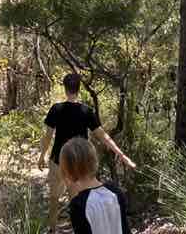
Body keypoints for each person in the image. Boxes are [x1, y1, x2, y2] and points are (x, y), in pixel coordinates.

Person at [37, 73, 135, 233]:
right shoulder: (86, 111)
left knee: (54, 198)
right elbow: (103, 136)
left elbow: (48, 136)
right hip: (79, 165)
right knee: (77, 201)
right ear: (79, 88)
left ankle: (52, 229)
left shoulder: (56, 109)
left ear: (65, 88)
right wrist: (121, 154)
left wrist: (42, 155)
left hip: (57, 161)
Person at [60, 136, 131, 234]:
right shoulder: (115, 192)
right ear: (95, 161)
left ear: (68, 172)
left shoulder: (78, 205)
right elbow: (125, 229)